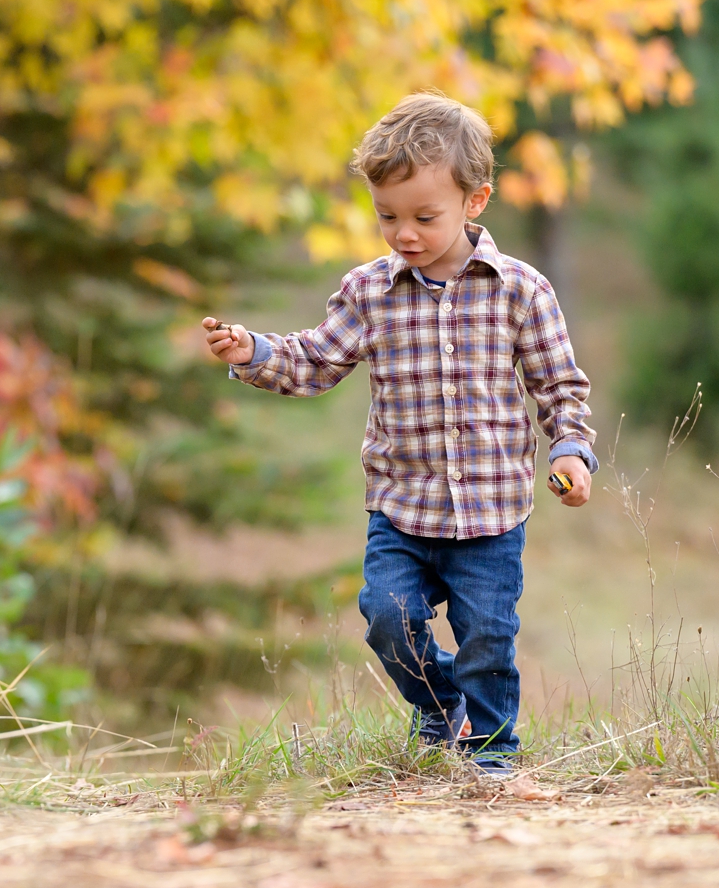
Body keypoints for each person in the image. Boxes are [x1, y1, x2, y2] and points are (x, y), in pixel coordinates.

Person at [202, 93, 595, 772]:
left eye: (423, 217)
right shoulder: (369, 292)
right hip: (402, 508)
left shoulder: (521, 291)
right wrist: (255, 353)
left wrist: (571, 449)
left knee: (487, 637)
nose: (403, 233)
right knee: (388, 619)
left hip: (491, 513)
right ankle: (440, 709)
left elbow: (560, 388)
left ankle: (492, 753)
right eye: (387, 216)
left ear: (475, 201)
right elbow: (317, 359)